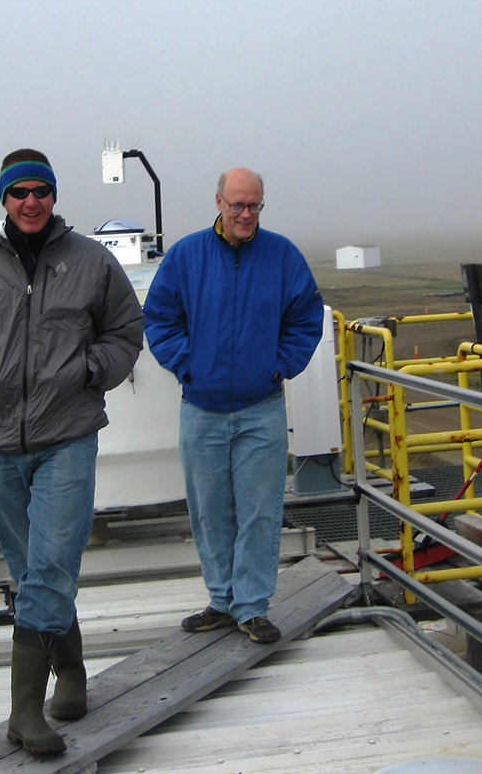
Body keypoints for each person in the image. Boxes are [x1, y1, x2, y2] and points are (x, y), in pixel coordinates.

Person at [0, 148, 144, 755]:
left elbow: (127, 329)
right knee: (32, 573)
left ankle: (23, 714)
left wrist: (89, 369)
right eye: (19, 191)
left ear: (54, 196)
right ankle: (71, 673)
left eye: (41, 191)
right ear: (3, 198)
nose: (31, 202)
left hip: (67, 436)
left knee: (49, 565)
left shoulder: (91, 262)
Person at [143, 167, 323, 644]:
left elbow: (306, 319)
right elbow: (159, 317)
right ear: (218, 201)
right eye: (238, 205)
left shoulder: (283, 257)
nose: (247, 214)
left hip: (261, 407)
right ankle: (222, 601)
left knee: (261, 510)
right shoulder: (186, 256)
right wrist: (187, 365)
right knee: (209, 509)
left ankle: (252, 606)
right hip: (200, 407)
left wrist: (279, 365)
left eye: (255, 206)